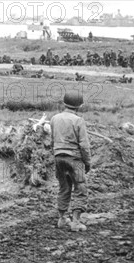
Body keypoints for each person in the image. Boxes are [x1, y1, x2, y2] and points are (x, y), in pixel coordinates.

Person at [50, 91, 91, 232]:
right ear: (79, 106)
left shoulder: (54, 118)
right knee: (80, 188)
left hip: (58, 157)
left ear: (65, 103)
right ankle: (76, 222)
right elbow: (84, 145)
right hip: (75, 159)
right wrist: (87, 162)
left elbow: (52, 140)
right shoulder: (78, 120)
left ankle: (62, 219)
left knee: (64, 188)